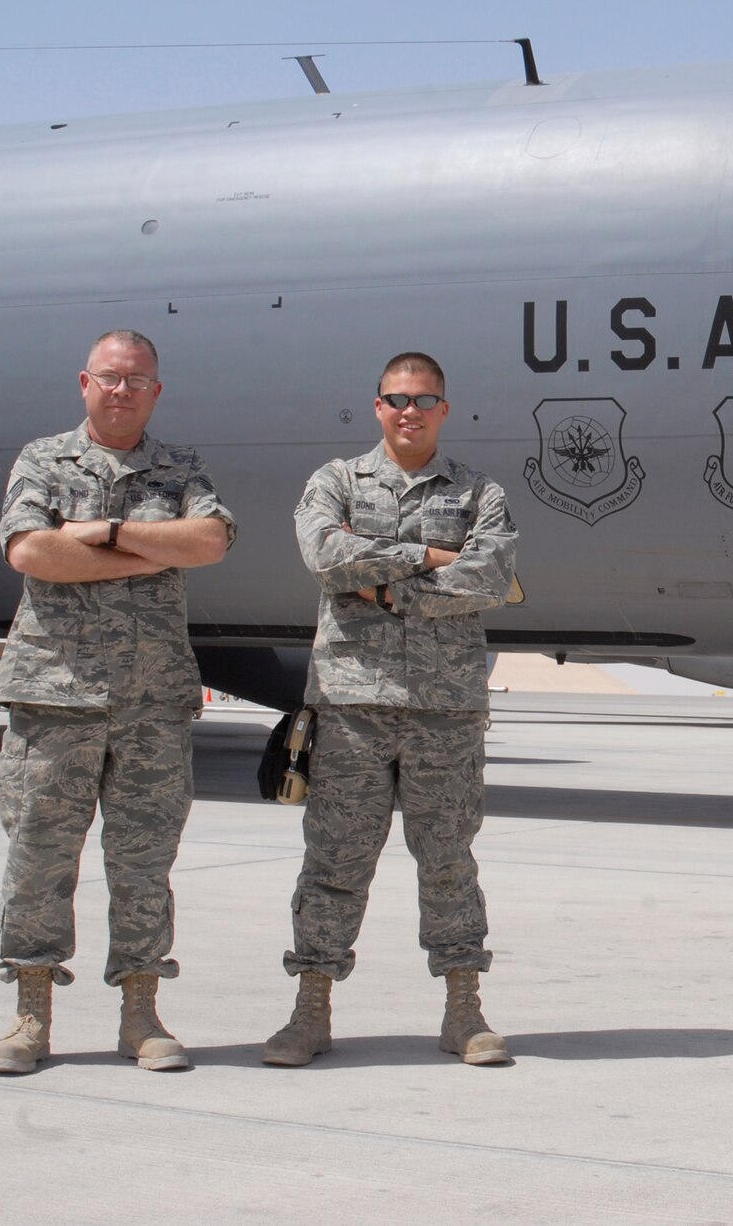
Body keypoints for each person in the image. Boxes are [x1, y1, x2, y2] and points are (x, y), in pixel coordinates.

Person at [0, 330, 235, 1075]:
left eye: (137, 380)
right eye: (110, 378)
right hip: (53, 694)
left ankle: (142, 1013)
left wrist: (106, 534)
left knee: (144, 861)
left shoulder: (179, 467)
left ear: (156, 391)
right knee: (38, 856)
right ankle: (31, 1014)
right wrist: (153, 551)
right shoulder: (43, 460)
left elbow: (213, 541)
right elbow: (31, 551)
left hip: (151, 700)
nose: (122, 390)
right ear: (84, 384)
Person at [264, 352, 518, 1067]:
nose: (409, 410)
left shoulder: (479, 492)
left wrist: (383, 587)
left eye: (424, 399)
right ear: (377, 406)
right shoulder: (336, 481)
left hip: (445, 711)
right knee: (334, 862)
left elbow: (492, 574)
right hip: (351, 706)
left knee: (448, 863)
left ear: (444, 409)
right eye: (396, 398)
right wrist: (432, 558)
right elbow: (324, 555)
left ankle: (463, 1010)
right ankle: (310, 1008)